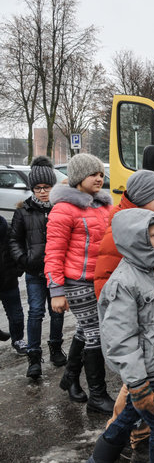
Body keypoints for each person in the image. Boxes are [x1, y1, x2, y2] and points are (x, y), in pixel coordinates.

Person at [93, 169, 154, 463]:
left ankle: (97, 462)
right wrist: (138, 383)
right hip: (142, 368)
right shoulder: (125, 279)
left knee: (126, 419)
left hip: (153, 362)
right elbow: (121, 334)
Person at [45, 153, 114, 414]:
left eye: (101, 173)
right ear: (77, 178)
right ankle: (98, 395)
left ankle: (70, 378)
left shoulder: (104, 206)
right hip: (77, 281)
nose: (99, 178)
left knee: (85, 331)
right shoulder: (63, 209)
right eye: (93, 174)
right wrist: (56, 291)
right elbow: (53, 253)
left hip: (102, 280)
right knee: (96, 333)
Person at [9, 156, 65, 378]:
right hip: (34, 272)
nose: (42, 191)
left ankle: (56, 347)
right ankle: (34, 356)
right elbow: (14, 239)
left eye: (47, 187)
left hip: (57, 272)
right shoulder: (23, 212)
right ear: (32, 188)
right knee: (35, 313)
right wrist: (23, 259)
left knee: (57, 312)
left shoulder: (60, 209)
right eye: (38, 188)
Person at [0, 214, 26, 354]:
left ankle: (18, 340)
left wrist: (18, 270)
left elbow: (18, 248)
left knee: (16, 315)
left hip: (8, 280)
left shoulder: (7, 229)